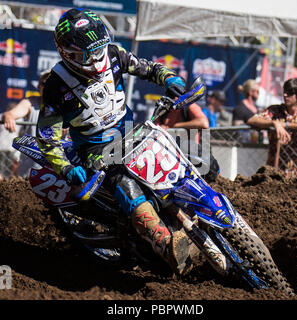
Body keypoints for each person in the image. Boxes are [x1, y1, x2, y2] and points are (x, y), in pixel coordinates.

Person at [35, 8, 192, 275]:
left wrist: (169, 78)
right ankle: (164, 242)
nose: (96, 61)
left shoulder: (114, 54)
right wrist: (64, 168)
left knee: (194, 156)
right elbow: (47, 136)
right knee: (125, 182)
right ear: (67, 53)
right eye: (86, 55)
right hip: (94, 149)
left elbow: (147, 68)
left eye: (98, 51)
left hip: (131, 130)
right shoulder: (56, 86)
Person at [247, 78, 297, 179]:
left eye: (290, 92)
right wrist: (274, 123)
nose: (285, 95)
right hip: (273, 174)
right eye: (284, 91)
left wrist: (286, 125)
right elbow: (252, 120)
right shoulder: (275, 110)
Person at [2, 70, 52, 178]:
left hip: (56, 173)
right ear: (39, 86)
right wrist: (9, 117)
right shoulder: (30, 103)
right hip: (29, 173)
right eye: (44, 83)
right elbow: (10, 113)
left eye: (51, 83)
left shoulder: (66, 106)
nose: (47, 87)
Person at [155, 102, 220, 182]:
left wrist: (174, 126)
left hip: (190, 159)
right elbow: (155, 130)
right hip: (168, 156)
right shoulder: (163, 108)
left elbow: (204, 123)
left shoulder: (189, 105)